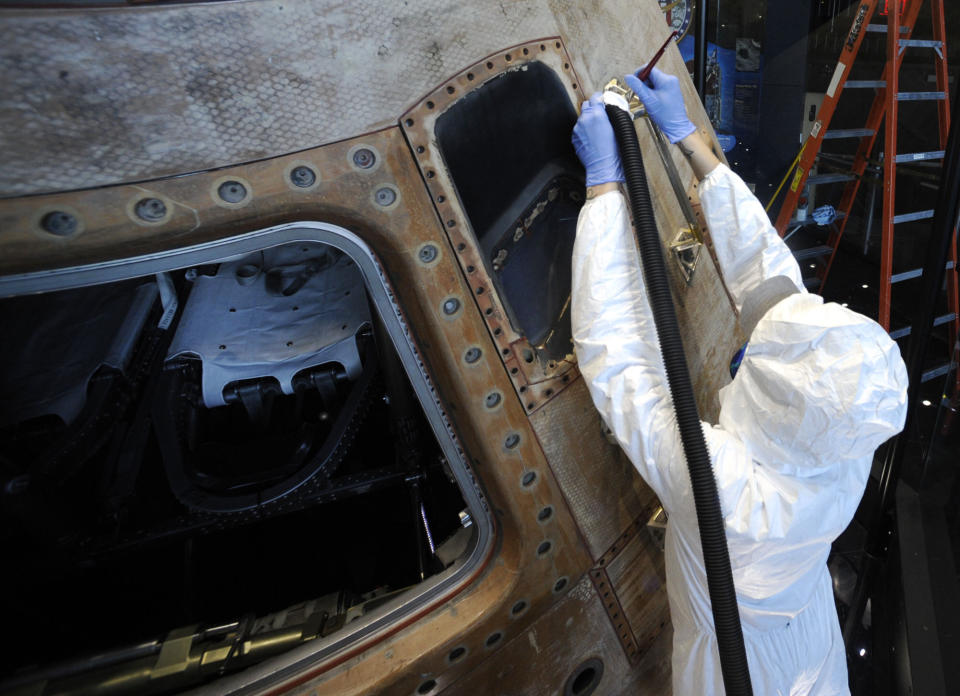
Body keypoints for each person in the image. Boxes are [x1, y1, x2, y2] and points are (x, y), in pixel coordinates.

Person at [570, 66, 908, 695]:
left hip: (735, 672)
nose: (753, 338)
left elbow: (619, 364)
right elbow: (771, 282)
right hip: (809, 640)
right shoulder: (845, 440)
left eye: (759, 354)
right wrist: (688, 140)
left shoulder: (726, 485)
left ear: (776, 398)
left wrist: (604, 193)